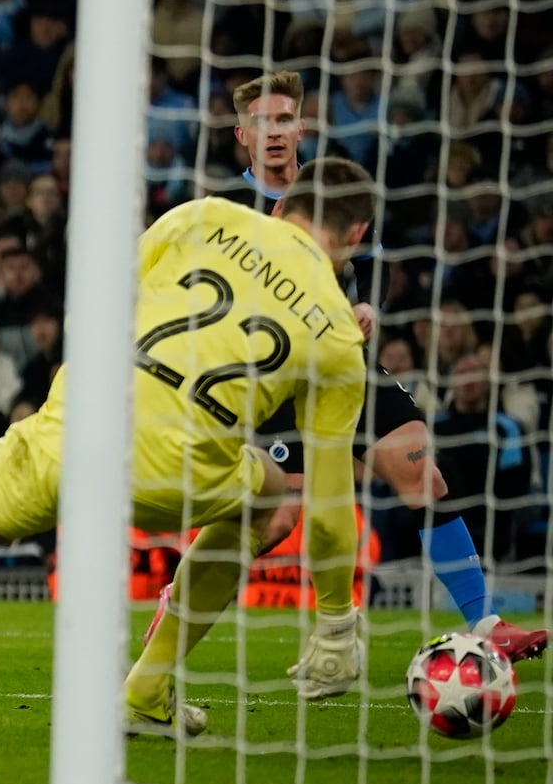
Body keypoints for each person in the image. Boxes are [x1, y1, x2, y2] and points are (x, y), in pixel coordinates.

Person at [0, 159, 377, 741]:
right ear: (356, 237)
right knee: (270, 490)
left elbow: (92, 306)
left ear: (281, 206)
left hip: (75, 434)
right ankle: (147, 690)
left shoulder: (205, 216)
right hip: (178, 477)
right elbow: (332, 505)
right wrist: (335, 618)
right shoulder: (338, 336)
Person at [218, 70, 545, 661]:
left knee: (424, 474)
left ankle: (486, 623)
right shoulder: (225, 204)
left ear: (302, 126)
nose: (275, 132)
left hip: (344, 363)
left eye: (285, 119)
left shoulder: (331, 189)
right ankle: (178, 593)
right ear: (243, 133)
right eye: (263, 122)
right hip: (276, 379)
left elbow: (372, 264)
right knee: (277, 521)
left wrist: (368, 303)